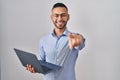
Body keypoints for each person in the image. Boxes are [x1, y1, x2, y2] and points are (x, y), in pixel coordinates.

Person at [26, 2, 85, 80]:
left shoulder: (74, 38)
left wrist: (80, 40)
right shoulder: (43, 40)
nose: (60, 18)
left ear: (68, 17)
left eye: (63, 15)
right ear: (51, 17)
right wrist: (35, 68)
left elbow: (80, 44)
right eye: (56, 15)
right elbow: (42, 63)